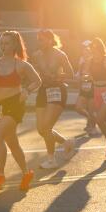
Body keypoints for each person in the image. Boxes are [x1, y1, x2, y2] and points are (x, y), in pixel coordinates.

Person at [0, 30, 41, 190]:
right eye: (2, 43)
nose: (3, 46)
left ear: (14, 44)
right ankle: (27, 173)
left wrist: (27, 91)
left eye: (7, 43)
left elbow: (37, 81)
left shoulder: (22, 65)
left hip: (15, 105)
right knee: (13, 143)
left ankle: (0, 175)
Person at [33, 29, 76, 167]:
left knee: (46, 127)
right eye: (38, 39)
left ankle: (51, 160)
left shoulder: (60, 54)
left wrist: (57, 77)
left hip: (57, 90)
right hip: (42, 91)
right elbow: (35, 73)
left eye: (42, 39)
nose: (39, 42)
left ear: (51, 40)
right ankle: (66, 143)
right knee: (41, 129)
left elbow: (71, 73)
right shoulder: (36, 55)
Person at [73, 40, 99, 137]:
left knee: (91, 110)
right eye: (84, 52)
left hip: (92, 89)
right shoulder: (82, 63)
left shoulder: (94, 63)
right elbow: (78, 75)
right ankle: (91, 119)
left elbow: (98, 76)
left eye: (87, 52)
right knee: (78, 108)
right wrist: (79, 78)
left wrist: (88, 77)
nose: (85, 54)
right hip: (83, 89)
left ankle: (93, 127)